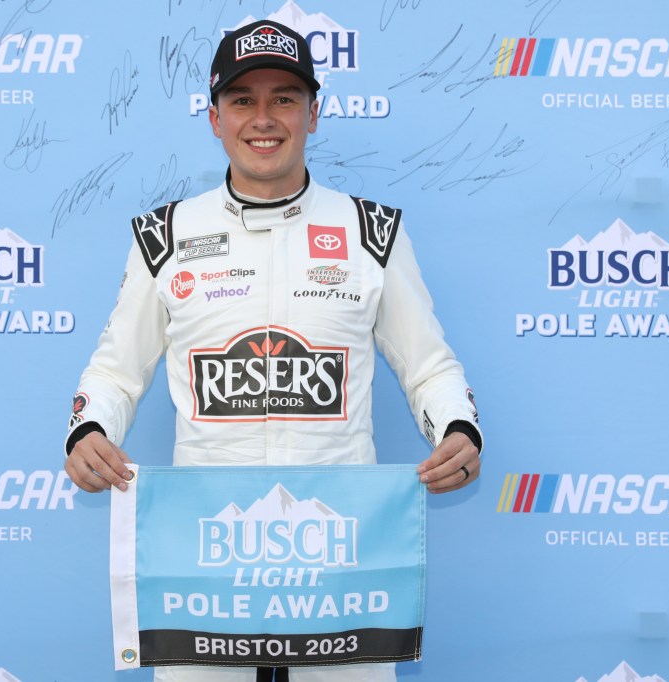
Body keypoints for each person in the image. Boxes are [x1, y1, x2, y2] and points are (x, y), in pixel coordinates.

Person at [63, 19, 482, 682]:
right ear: (215, 118)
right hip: (207, 563)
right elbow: (115, 371)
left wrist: (458, 426)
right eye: (242, 100)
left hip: (340, 562)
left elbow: (429, 366)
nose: (263, 118)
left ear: (312, 114)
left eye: (284, 98)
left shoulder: (370, 232)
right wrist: (89, 429)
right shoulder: (165, 237)